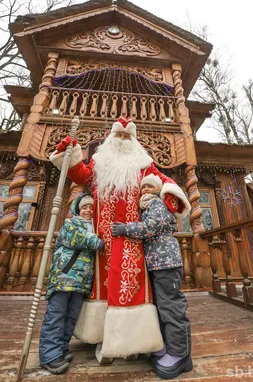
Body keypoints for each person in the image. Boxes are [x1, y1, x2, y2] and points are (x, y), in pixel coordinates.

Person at [49, 114, 191, 359]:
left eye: (127, 136)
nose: (123, 139)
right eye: (120, 135)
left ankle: (131, 342)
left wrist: (170, 195)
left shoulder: (144, 164)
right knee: (102, 285)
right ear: (111, 138)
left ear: (133, 141)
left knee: (129, 283)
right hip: (102, 235)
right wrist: (69, 155)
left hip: (131, 235)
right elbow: (80, 175)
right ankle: (103, 337)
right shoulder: (98, 163)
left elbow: (163, 180)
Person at [112, 174, 192, 379]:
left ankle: (180, 354)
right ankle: (167, 346)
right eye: (143, 187)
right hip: (157, 263)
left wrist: (124, 228)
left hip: (166, 262)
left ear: (157, 190)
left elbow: (151, 228)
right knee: (162, 305)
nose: (145, 190)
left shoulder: (157, 205)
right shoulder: (146, 207)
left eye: (150, 187)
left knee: (171, 307)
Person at [39, 194, 104, 374]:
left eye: (91, 207)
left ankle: (61, 348)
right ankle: (49, 355)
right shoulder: (71, 224)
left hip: (80, 282)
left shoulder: (95, 227)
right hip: (64, 277)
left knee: (71, 316)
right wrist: (98, 241)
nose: (88, 210)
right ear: (78, 209)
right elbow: (77, 237)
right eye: (85, 207)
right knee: (56, 315)